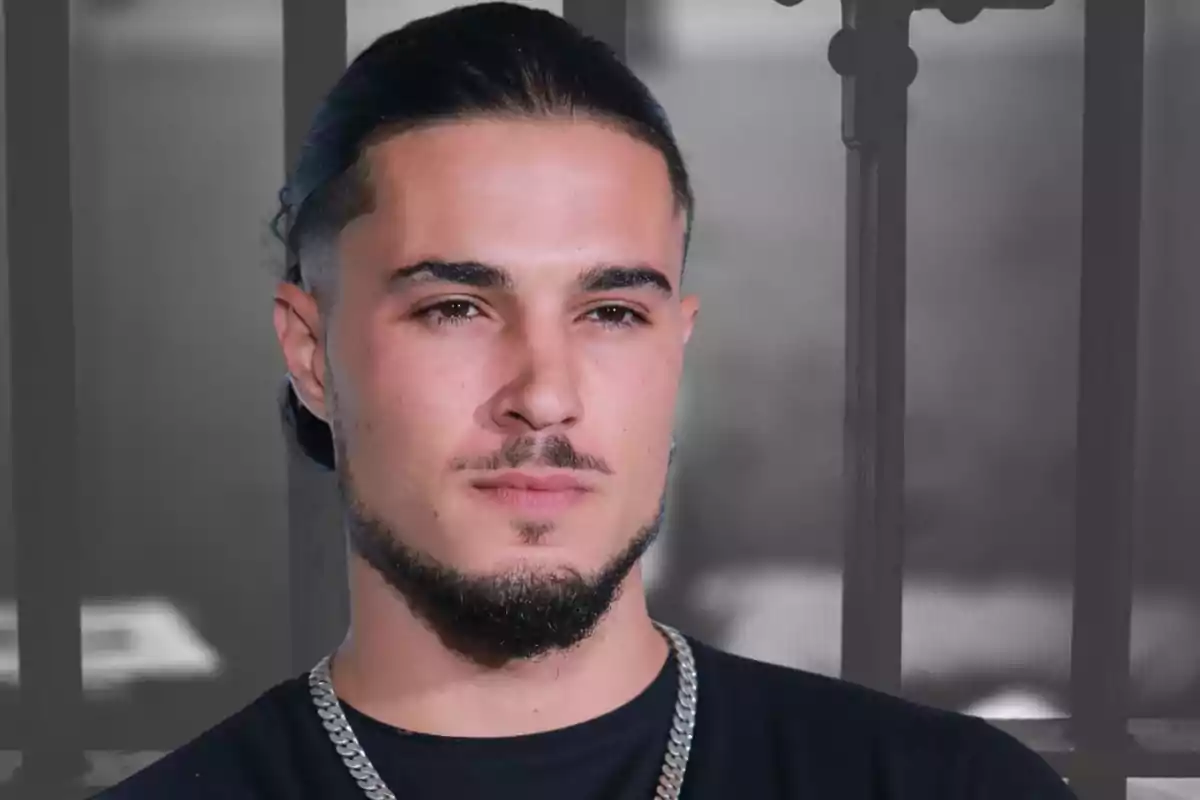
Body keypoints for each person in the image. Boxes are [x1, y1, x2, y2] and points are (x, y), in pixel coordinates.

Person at [94, 3, 1077, 798]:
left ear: (675, 346)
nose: (545, 395)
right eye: (456, 306)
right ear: (311, 354)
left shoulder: (942, 783)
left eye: (609, 311)